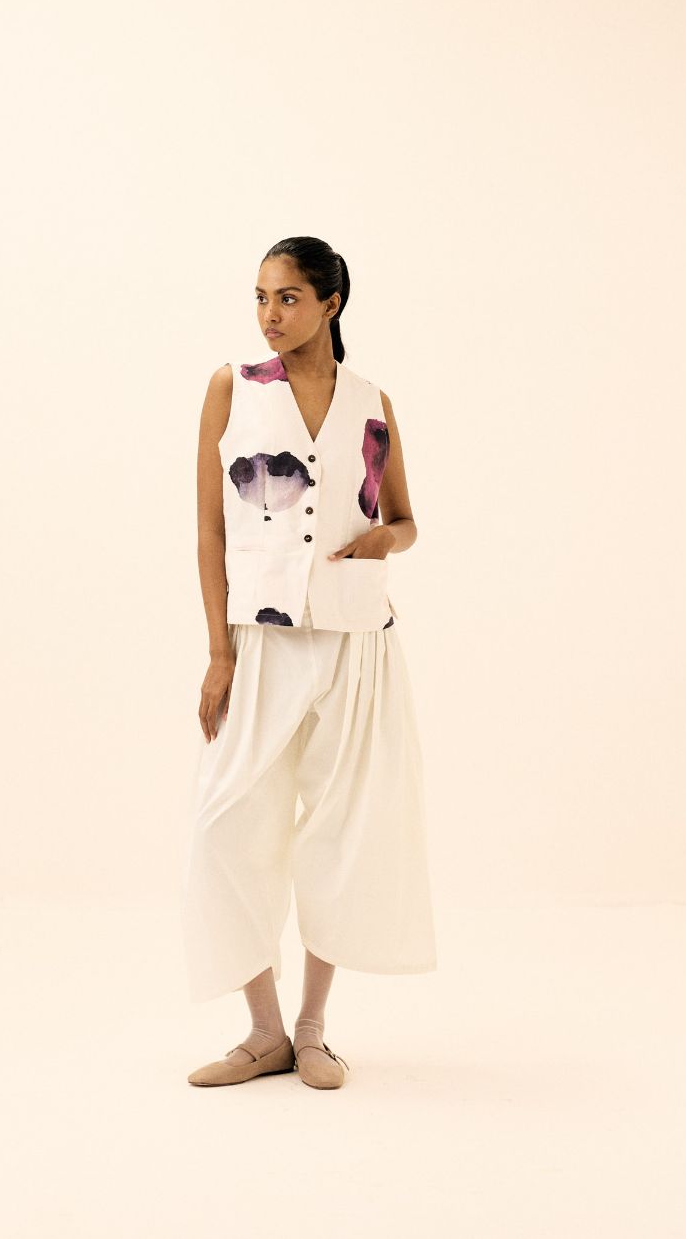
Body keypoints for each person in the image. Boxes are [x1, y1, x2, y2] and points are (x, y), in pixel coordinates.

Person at [179, 236, 437, 1090]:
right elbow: (210, 526)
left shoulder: (372, 402)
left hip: (356, 640)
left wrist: (383, 542)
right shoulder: (233, 388)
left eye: (287, 298)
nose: (269, 315)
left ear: (331, 303)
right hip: (259, 641)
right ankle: (263, 1033)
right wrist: (218, 650)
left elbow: (405, 520)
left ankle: (314, 1030)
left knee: (340, 831)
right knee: (227, 823)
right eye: (260, 297)